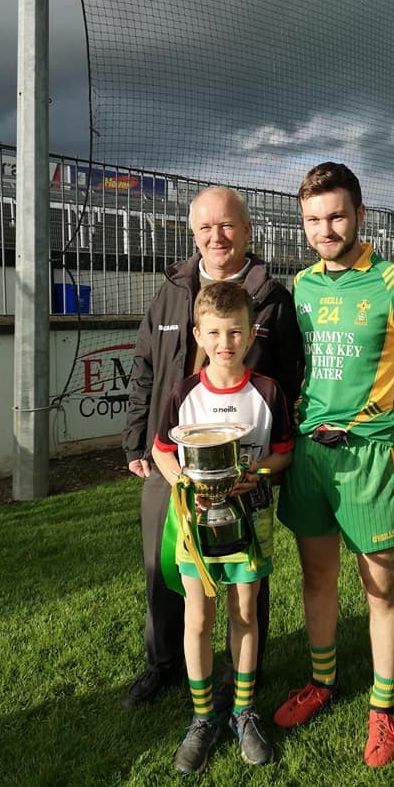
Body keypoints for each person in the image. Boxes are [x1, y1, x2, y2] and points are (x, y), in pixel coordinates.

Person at [274, 162, 394, 768]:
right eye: (312, 220)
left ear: (360, 215)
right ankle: (322, 682)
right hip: (309, 455)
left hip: (371, 456)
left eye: (336, 216)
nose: (324, 230)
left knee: (380, 588)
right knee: (317, 578)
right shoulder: (302, 286)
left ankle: (383, 707)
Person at [122, 186, 303, 709]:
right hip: (170, 460)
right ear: (193, 232)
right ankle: (163, 664)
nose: (215, 236)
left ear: (247, 230)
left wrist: (271, 463)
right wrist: (136, 440)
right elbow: (144, 368)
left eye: (226, 226)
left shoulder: (272, 297)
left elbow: (290, 380)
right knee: (164, 565)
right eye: (205, 227)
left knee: (247, 570)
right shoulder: (172, 289)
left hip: (244, 471)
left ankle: (239, 675)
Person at [151, 282, 294, 773]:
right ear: (198, 334)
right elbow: (161, 452)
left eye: (235, 332)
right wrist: (183, 481)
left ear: (251, 333)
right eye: (213, 333)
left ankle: (244, 711)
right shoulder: (184, 392)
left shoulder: (267, 392)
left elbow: (284, 453)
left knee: (245, 613)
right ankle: (202, 718)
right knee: (198, 619)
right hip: (195, 524)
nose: (225, 342)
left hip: (249, 522)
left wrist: (257, 472)